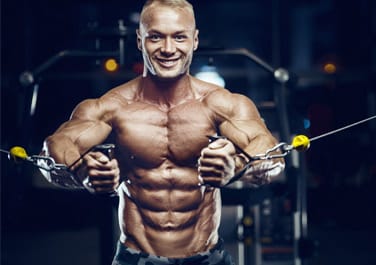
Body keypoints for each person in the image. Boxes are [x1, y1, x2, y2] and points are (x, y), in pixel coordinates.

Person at [39, 0, 285, 264]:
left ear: (195, 40)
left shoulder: (222, 103)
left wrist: (236, 166)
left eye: (179, 37)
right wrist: (82, 172)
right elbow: (54, 150)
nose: (168, 49)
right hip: (137, 257)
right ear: (139, 40)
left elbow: (272, 156)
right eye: (156, 37)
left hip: (207, 257)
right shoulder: (112, 107)